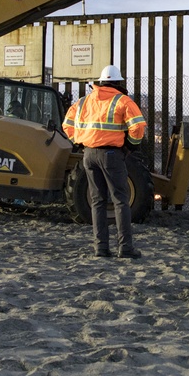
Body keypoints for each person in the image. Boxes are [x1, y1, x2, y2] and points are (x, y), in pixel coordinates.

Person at [63, 64, 146, 259]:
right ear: (118, 83)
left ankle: (100, 248)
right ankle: (125, 248)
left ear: (100, 82)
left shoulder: (84, 102)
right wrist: (130, 146)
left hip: (89, 155)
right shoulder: (122, 101)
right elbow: (138, 128)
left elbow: (67, 125)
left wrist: (79, 141)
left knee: (97, 201)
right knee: (120, 201)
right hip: (111, 155)